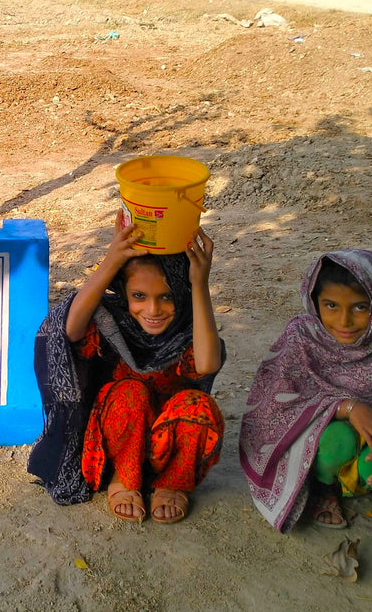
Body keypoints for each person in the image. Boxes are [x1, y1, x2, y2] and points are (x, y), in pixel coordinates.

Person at [28, 210, 225, 523]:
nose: (153, 309)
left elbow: (207, 363)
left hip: (169, 445)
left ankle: (173, 483)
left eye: (167, 297)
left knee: (200, 406)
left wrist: (200, 284)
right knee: (131, 393)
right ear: (123, 292)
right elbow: (69, 330)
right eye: (139, 296)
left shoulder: (190, 323)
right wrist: (111, 261)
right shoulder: (111, 318)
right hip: (116, 444)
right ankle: (124, 479)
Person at [240, 250, 372, 532]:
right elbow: (275, 406)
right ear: (314, 301)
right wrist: (348, 408)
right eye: (331, 305)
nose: (344, 322)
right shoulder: (301, 338)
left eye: (360, 307)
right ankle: (325, 488)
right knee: (336, 440)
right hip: (324, 447)